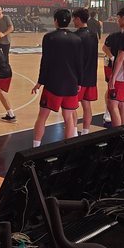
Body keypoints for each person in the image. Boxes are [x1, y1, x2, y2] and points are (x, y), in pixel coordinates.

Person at [32, 9, 83, 146]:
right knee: (69, 118)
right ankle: (67, 149)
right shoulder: (77, 39)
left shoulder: (49, 37)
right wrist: (79, 81)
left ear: (55, 21)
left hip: (53, 84)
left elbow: (45, 61)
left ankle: (36, 147)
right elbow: (79, 63)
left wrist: (40, 82)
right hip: (71, 83)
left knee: (42, 116)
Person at [72, 8, 98, 136]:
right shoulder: (93, 35)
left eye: (74, 19)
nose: (73, 21)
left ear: (78, 19)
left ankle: (73, 132)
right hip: (91, 76)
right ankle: (86, 131)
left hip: (78, 78)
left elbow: (74, 59)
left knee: (71, 106)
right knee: (87, 105)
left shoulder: (76, 36)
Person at [102, 30, 120, 123]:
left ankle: (115, 109)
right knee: (110, 88)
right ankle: (107, 111)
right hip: (109, 65)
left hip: (121, 66)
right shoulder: (113, 36)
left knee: (118, 88)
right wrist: (112, 57)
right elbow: (104, 48)